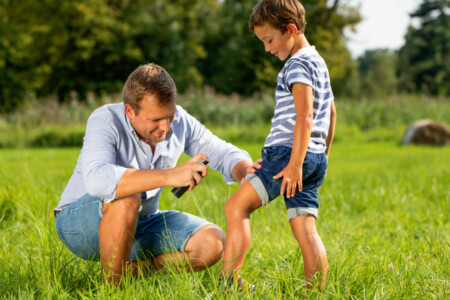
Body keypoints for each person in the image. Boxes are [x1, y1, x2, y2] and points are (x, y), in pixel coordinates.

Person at [54, 63, 259, 285]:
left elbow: (222, 152)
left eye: (169, 116)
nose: (166, 127)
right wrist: (169, 175)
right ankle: (113, 290)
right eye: (155, 120)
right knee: (127, 195)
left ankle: (133, 272)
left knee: (212, 243)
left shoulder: (179, 121)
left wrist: (246, 172)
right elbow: (97, 180)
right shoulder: (105, 119)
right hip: (80, 226)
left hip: (141, 220)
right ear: (130, 111)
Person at [221, 0, 337, 292]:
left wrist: (295, 164)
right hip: (313, 156)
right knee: (306, 230)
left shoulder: (297, 64)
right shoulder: (318, 63)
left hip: (287, 155)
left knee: (236, 207)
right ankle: (317, 294)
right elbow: (331, 114)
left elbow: (305, 115)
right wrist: (318, 156)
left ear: (291, 30)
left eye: (269, 40)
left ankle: (228, 284)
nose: (267, 48)